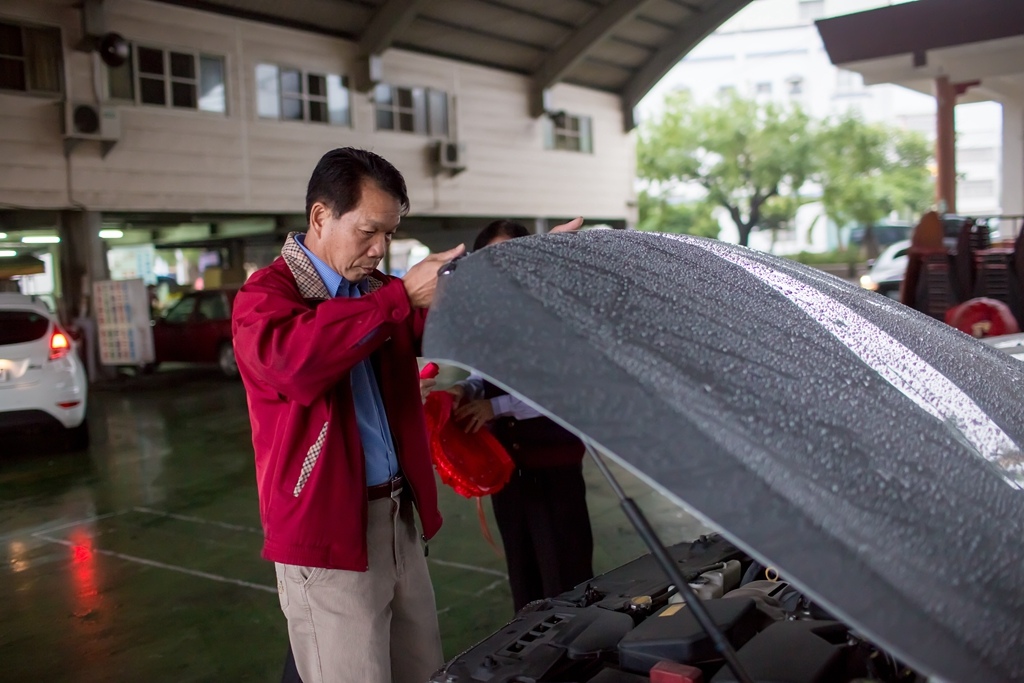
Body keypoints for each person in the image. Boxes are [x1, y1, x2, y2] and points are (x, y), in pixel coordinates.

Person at [232, 147, 464, 683]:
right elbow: (296, 364)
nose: (380, 249)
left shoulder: (376, 293)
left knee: (425, 671)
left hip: (397, 520)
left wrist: (522, 268)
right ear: (320, 217)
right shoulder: (265, 298)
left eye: (389, 234)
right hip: (330, 532)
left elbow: (449, 327)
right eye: (368, 231)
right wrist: (398, 297)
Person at [447, 219, 594, 613]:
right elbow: (483, 374)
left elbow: (568, 391)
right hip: (508, 471)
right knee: (525, 581)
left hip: (554, 472)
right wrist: (468, 389)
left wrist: (495, 407)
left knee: (566, 581)